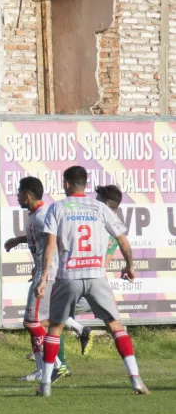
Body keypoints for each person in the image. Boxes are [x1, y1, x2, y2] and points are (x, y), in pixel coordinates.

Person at [35, 166, 149, 396]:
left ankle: (45, 384)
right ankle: (136, 379)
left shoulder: (57, 207)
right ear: (85, 184)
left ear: (67, 184)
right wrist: (130, 265)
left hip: (69, 276)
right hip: (96, 275)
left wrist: (44, 276)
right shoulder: (100, 207)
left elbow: (50, 245)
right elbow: (123, 241)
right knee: (115, 326)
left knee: (55, 327)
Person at [3, 177, 67, 383]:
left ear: (28, 195)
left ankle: (55, 363)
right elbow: (40, 238)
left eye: (19, 192)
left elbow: (53, 241)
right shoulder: (35, 215)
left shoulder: (42, 216)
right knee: (37, 322)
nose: (17, 196)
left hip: (48, 274)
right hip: (42, 271)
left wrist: (45, 272)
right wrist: (18, 240)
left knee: (32, 322)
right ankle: (42, 368)